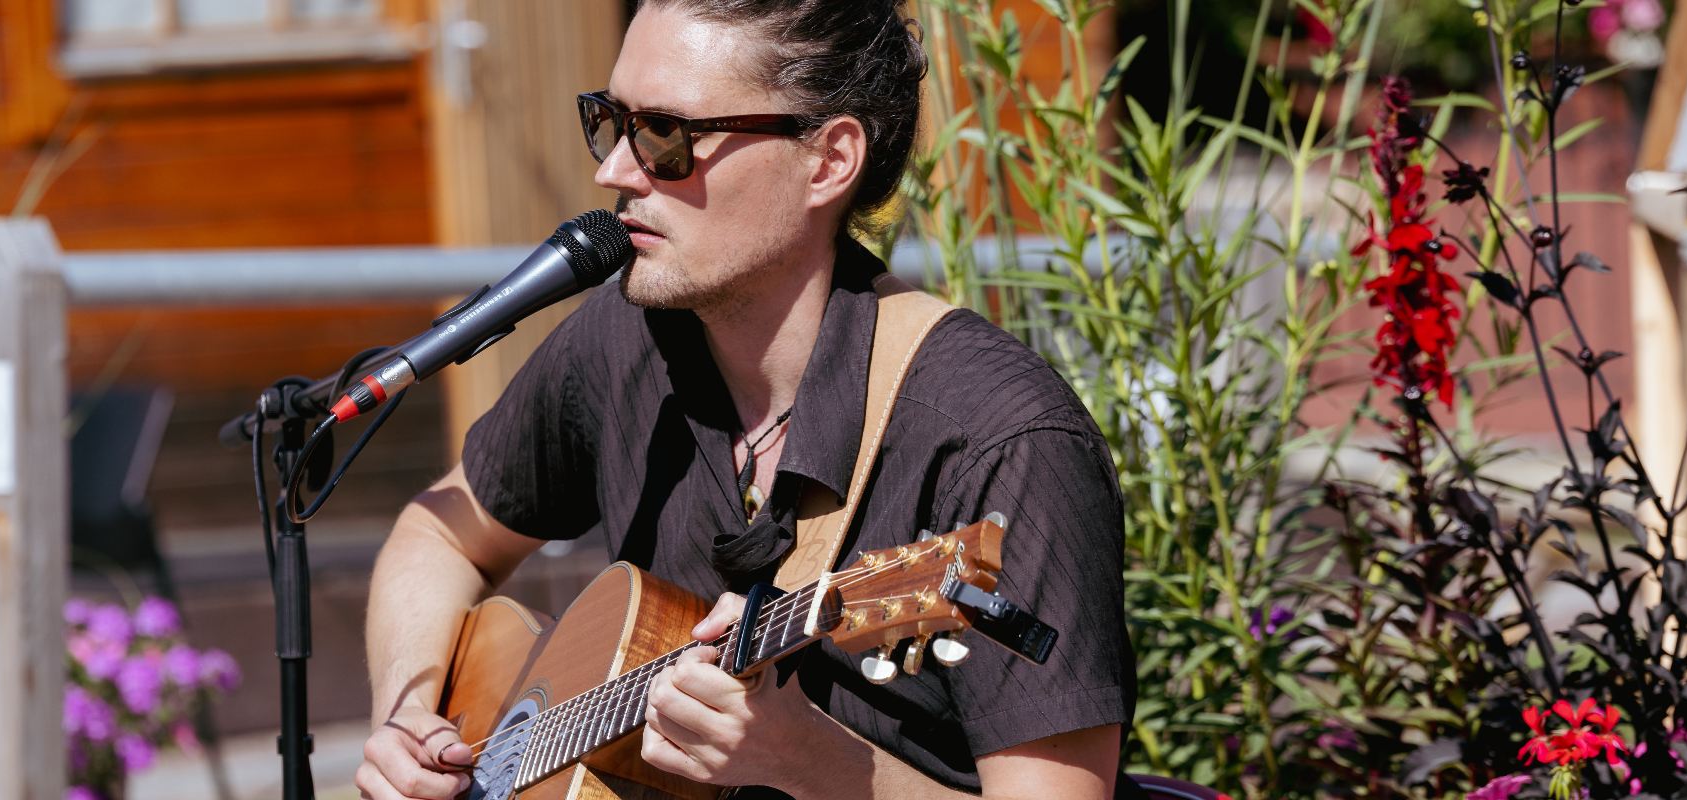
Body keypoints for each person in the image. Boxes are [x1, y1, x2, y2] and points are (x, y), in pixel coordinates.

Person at [356, 1, 1141, 798]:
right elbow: (442, 532)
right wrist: (408, 713)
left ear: (829, 161)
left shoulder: (1001, 440)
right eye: (608, 120)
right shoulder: (630, 338)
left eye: (665, 135)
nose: (614, 172)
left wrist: (811, 762)